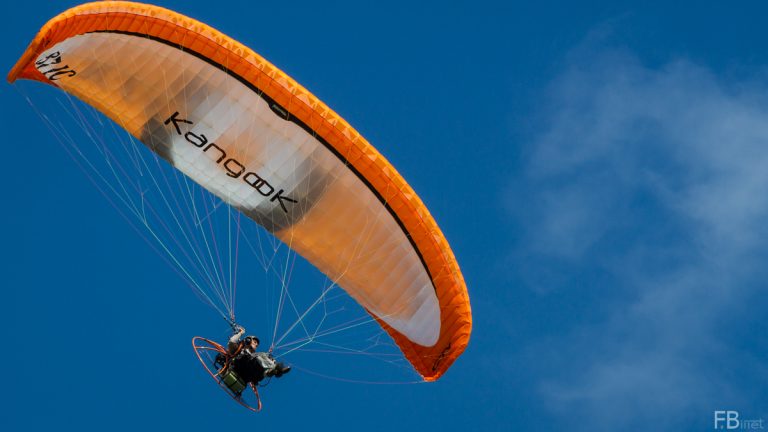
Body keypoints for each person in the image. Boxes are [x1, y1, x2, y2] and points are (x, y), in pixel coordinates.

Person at [227, 326, 291, 385]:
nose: (256, 345)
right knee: (262, 355)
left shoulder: (255, 357)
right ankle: (272, 370)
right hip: (238, 365)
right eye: (255, 342)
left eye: (257, 345)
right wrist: (240, 333)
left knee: (263, 359)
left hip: (248, 375)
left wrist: (271, 360)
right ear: (248, 340)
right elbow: (232, 341)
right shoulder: (238, 348)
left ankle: (272, 371)